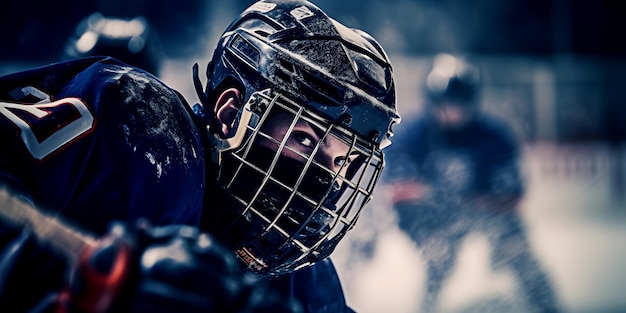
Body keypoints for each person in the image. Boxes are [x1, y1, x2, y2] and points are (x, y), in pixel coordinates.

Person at [0, 0, 400, 312]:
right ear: (230, 115)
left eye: (343, 162)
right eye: (306, 141)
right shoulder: (148, 137)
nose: (325, 179)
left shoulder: (307, 285)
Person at [384, 53, 559, 313]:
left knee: (516, 247)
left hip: (481, 210)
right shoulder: (411, 135)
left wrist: (462, 203)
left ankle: (547, 306)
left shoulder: (495, 138)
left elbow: (511, 196)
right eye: (447, 103)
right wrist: (442, 203)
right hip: (426, 215)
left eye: (461, 103)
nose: (454, 111)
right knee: (438, 253)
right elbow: (399, 192)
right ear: (432, 102)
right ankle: (422, 305)